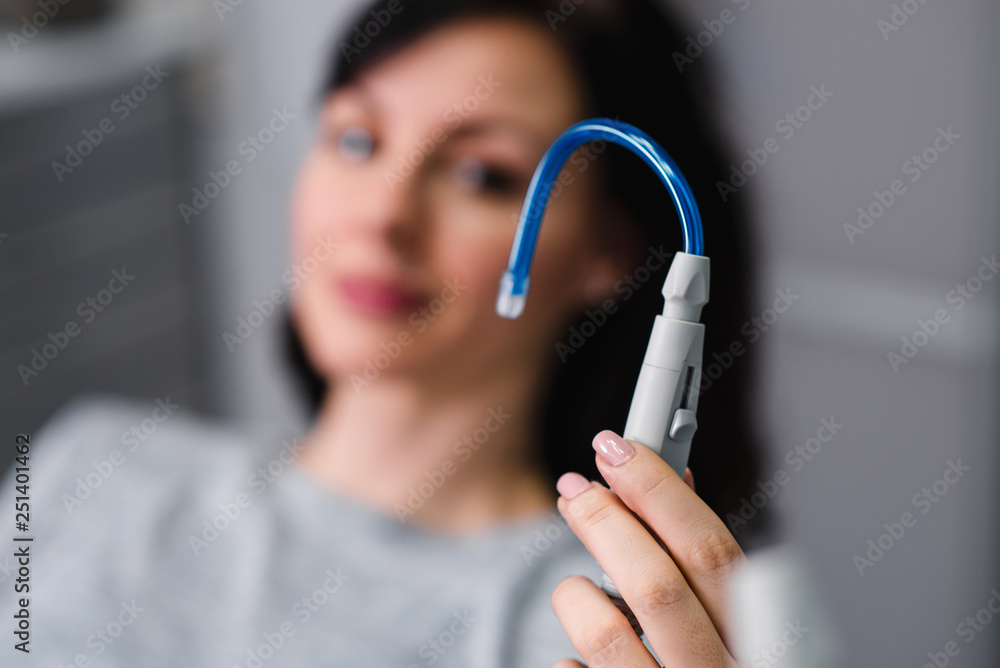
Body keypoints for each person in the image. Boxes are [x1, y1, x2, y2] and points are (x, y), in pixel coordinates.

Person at [0, 0, 763, 665]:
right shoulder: (84, 473)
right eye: (358, 140)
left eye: (480, 175)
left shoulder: (609, 627)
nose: (384, 214)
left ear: (610, 251)